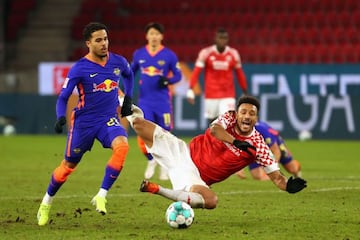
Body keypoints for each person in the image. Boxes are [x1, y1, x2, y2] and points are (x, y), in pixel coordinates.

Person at [124, 95, 307, 209]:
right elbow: (214, 130)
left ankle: (156, 189)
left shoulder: (258, 146)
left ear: (256, 118)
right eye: (243, 112)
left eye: (252, 114)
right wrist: (235, 142)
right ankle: (118, 96)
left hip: (195, 178)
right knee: (139, 124)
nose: (247, 116)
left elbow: (276, 177)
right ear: (237, 113)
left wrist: (288, 187)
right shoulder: (228, 117)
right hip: (182, 153)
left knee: (210, 201)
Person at [37, 22, 134, 226]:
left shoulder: (118, 62)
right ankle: (46, 201)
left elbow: (129, 74)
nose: (104, 44)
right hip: (84, 124)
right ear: (88, 43)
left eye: (105, 39)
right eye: (98, 40)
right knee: (68, 166)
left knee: (123, 146)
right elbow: (63, 97)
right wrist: (60, 117)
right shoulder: (79, 68)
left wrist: (128, 99)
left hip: (108, 120)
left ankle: (101, 194)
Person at [131, 22, 182, 180]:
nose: (154, 36)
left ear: (161, 36)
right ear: (147, 36)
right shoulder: (139, 54)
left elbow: (178, 75)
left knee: (165, 133)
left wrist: (168, 80)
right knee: (143, 132)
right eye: (151, 34)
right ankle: (151, 159)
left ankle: (165, 166)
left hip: (162, 102)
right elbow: (130, 72)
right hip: (145, 101)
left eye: (156, 34)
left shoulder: (169, 55)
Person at [187, 27, 248, 125]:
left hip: (227, 94)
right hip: (211, 94)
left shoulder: (233, 54)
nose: (222, 40)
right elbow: (196, 72)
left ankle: (225, 141)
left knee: (228, 123)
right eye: (220, 38)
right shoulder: (206, 53)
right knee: (213, 124)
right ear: (215, 39)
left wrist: (245, 91)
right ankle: (212, 141)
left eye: (225, 38)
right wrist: (190, 89)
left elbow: (239, 73)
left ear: (227, 40)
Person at [236, 121, 302, 180]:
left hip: (276, 144)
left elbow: (276, 151)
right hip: (257, 149)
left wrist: (273, 169)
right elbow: (240, 149)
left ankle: (296, 167)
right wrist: (239, 169)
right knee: (258, 176)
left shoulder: (261, 129)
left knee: (292, 169)